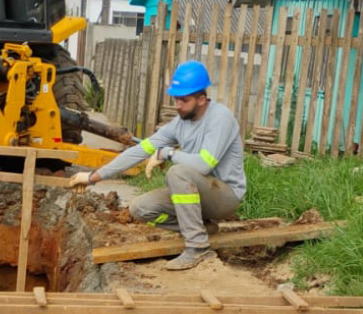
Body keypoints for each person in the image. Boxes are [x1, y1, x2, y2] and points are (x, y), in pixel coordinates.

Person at [69, 61, 246, 271]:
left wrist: (168, 153)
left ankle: (198, 248)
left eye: (184, 100)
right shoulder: (180, 123)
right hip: (199, 194)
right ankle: (202, 229)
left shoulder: (220, 118)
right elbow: (140, 150)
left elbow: (203, 165)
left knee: (177, 173)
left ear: (201, 99)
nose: (178, 105)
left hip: (225, 196)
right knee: (140, 208)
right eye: (176, 99)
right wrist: (92, 178)